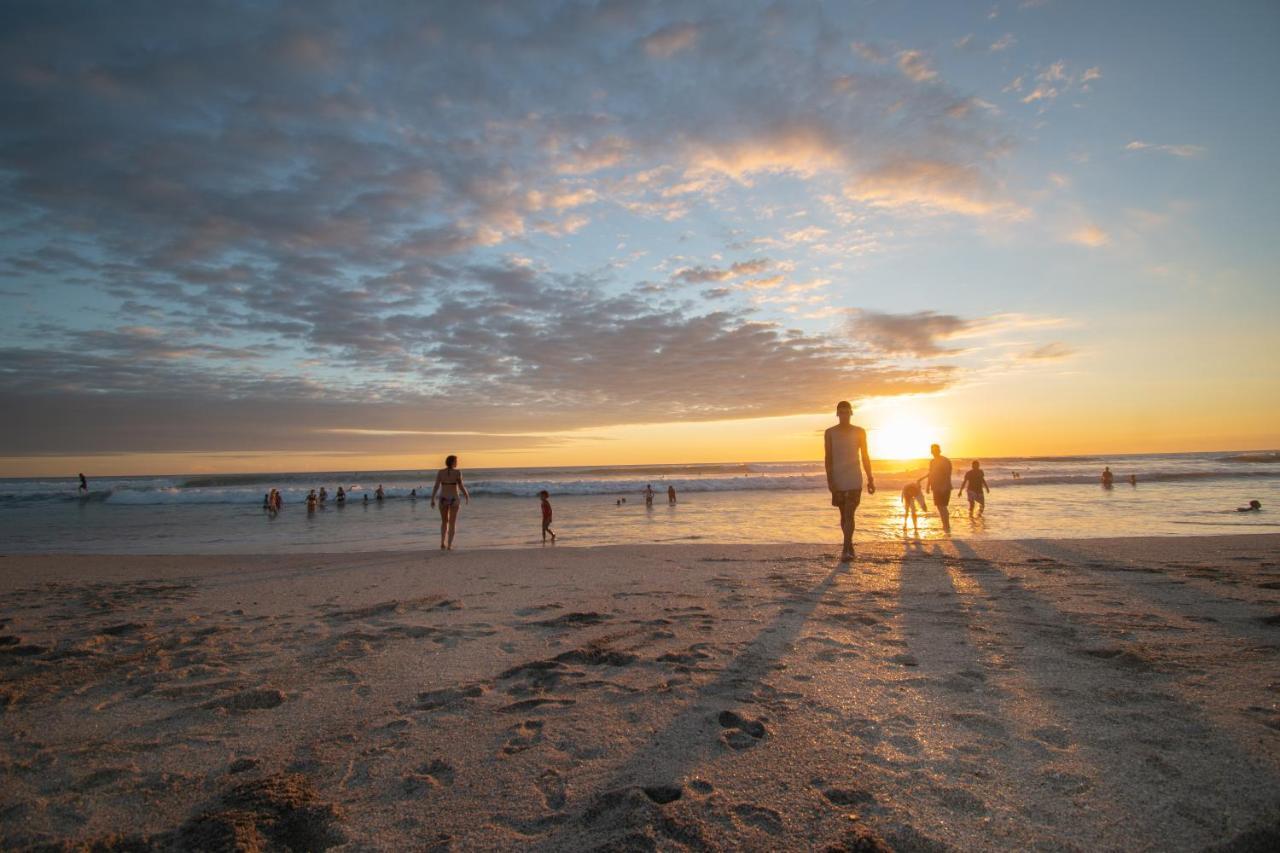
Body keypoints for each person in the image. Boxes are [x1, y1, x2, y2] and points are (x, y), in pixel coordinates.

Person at [824, 400, 875, 562]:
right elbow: (828, 458)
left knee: (850, 513)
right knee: (843, 515)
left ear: (851, 413)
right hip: (838, 479)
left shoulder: (859, 431)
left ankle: (846, 549)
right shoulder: (830, 432)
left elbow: (865, 456)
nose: (844, 415)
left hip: (854, 478)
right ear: (837, 414)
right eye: (842, 412)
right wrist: (830, 480)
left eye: (847, 412)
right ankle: (849, 544)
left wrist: (870, 478)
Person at [431, 455, 470, 550]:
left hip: (443, 498)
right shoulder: (457, 472)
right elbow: (460, 486)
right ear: (452, 462)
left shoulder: (440, 472)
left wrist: (432, 498)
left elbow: (436, 486)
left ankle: (442, 543)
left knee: (444, 522)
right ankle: (449, 545)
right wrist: (466, 495)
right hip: (454, 498)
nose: (457, 463)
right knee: (452, 522)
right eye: (456, 461)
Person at [927, 444, 953, 533]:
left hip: (945, 487)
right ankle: (945, 525)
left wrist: (944, 486)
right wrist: (928, 485)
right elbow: (930, 473)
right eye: (933, 451)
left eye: (936, 450)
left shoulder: (945, 460)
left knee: (943, 506)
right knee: (939, 506)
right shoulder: (932, 462)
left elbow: (947, 474)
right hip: (935, 487)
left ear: (939, 451)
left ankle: (947, 526)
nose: (934, 452)